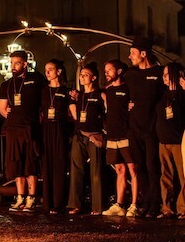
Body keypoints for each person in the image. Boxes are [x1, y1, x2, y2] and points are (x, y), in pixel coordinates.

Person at [0, 50, 45, 212]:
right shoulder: (7, 84)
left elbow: (45, 99)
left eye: (17, 63)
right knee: (16, 164)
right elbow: (2, 109)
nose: (13, 66)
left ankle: (32, 198)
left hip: (30, 127)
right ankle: (20, 197)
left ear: (25, 64)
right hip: (13, 129)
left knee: (30, 164)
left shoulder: (36, 79)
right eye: (11, 63)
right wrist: (9, 114)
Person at [126, 36, 164, 217]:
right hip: (134, 128)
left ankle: (156, 203)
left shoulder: (159, 73)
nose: (130, 56)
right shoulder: (130, 74)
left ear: (143, 53)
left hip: (152, 128)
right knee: (139, 166)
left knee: (152, 166)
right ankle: (146, 202)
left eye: (133, 53)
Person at [101, 59, 140, 217]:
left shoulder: (128, 89)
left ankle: (135, 204)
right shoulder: (108, 91)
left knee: (133, 169)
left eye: (109, 70)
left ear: (118, 72)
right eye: (105, 70)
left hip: (126, 135)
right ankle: (120, 204)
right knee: (119, 170)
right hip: (112, 136)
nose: (106, 73)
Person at [67, 62, 105, 215]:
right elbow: (75, 114)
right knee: (76, 169)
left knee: (96, 171)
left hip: (94, 135)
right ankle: (76, 204)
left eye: (86, 75)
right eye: (81, 75)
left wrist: (103, 134)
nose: (82, 77)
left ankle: (98, 206)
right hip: (79, 135)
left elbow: (107, 114)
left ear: (94, 78)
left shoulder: (100, 94)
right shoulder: (78, 95)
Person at [40, 59, 70, 214]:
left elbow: (71, 112)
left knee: (59, 165)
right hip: (46, 128)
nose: (47, 72)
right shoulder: (43, 90)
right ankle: (47, 202)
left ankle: (59, 203)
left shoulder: (66, 91)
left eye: (50, 69)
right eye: (46, 70)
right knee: (46, 165)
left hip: (60, 127)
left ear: (59, 71)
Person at [155, 63, 185, 219]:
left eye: (167, 74)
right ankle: (167, 207)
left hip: (179, 141)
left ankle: (183, 208)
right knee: (166, 176)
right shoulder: (163, 94)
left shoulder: (182, 95)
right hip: (163, 141)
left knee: (183, 176)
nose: (164, 78)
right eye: (163, 75)